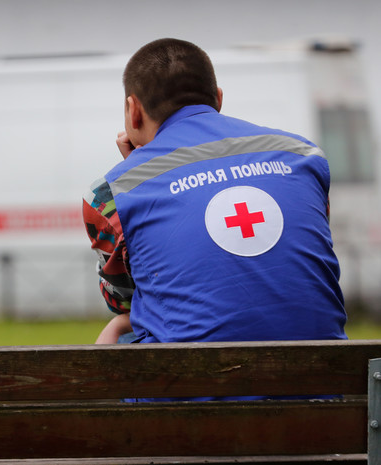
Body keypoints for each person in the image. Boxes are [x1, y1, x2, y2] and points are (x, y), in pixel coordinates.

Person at [83, 38, 347, 348]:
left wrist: (145, 170)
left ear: (133, 109)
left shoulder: (112, 191)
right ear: (218, 99)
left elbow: (126, 302)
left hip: (188, 392)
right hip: (322, 386)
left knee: (120, 330)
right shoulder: (304, 156)